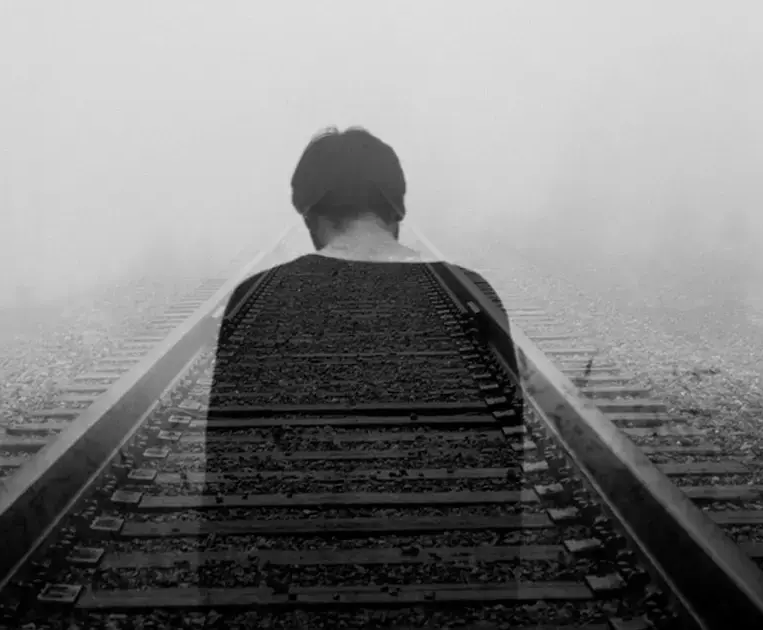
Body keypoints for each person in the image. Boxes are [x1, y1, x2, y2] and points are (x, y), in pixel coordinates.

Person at [193, 127, 524, 620]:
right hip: (455, 596)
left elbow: (224, 475)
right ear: (397, 209)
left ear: (309, 215)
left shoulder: (254, 296)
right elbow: (507, 462)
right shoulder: (470, 291)